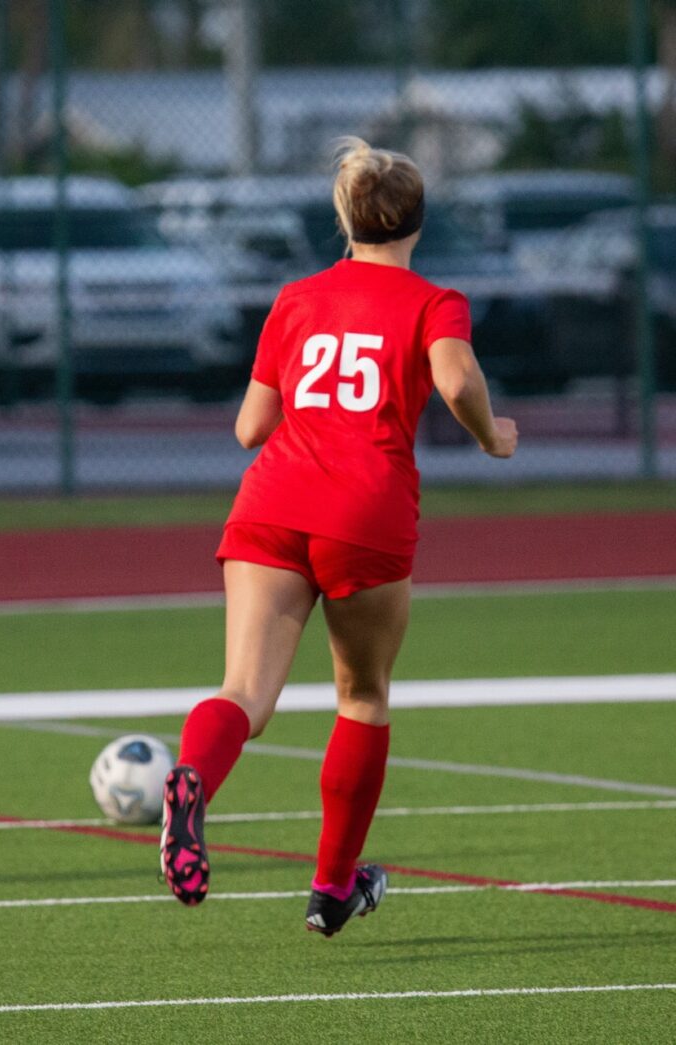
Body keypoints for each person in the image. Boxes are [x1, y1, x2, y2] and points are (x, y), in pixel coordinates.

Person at [160, 137, 518, 936]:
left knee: (244, 694)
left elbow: (251, 427)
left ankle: (190, 777)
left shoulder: (297, 297)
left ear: (343, 220)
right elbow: (456, 378)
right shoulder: (436, 301)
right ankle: (331, 888)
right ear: (417, 223)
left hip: (274, 501)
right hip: (366, 512)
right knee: (362, 696)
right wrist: (493, 438)